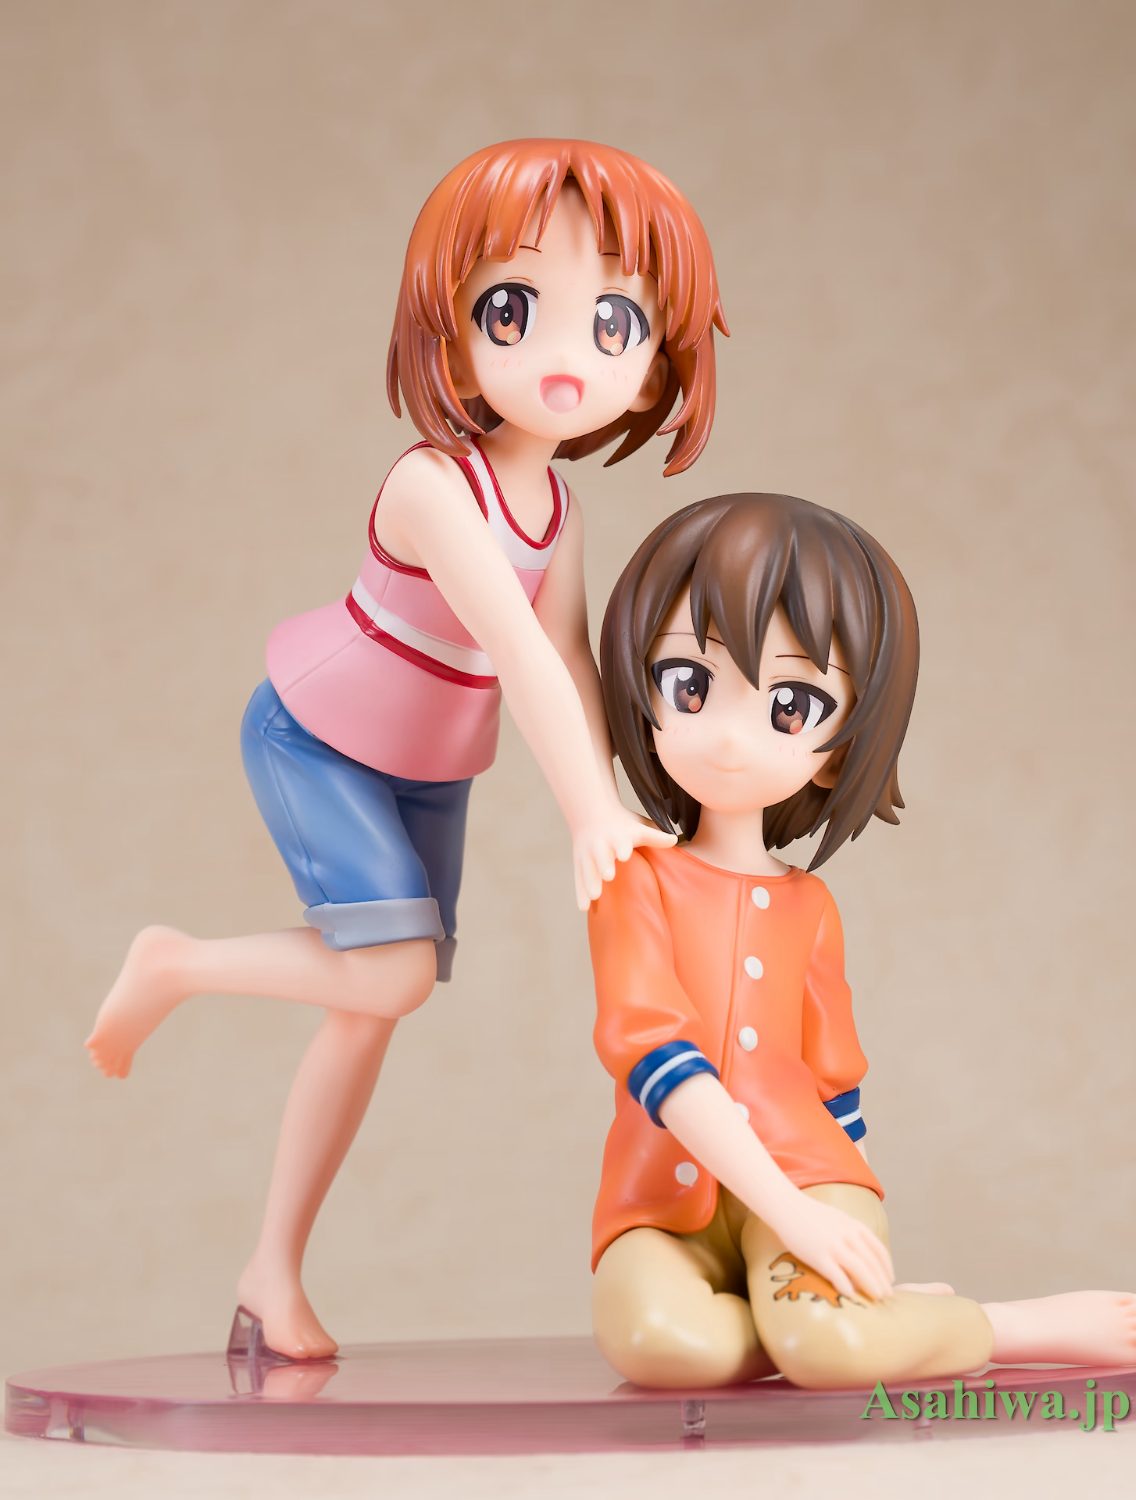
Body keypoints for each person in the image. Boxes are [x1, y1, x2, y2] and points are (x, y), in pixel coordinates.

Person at [85, 140, 727, 1360]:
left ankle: (271, 1274)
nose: (566, 353)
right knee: (390, 976)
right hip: (319, 738)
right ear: (450, 330)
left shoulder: (559, 509)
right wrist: (587, 817)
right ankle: (175, 962)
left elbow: (569, 656)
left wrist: (619, 805)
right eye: (513, 309)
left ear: (655, 365)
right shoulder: (434, 486)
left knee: (368, 1011)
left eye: (615, 322)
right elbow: (517, 651)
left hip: (433, 765)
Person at [588, 492, 1136, 1387]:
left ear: (838, 747)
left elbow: (835, 1081)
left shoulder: (811, 904)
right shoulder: (634, 878)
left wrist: (825, 1213)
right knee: (665, 1348)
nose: (729, 735)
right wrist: (794, 1222)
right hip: (661, 1200)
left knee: (832, 1348)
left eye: (791, 704)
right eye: (689, 685)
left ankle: (996, 1327)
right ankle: (870, 1319)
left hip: (810, 1178)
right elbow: (656, 1055)